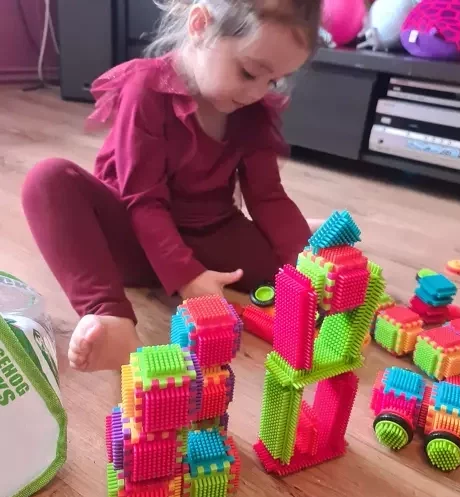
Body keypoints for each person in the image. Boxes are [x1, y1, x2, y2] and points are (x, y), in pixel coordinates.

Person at [21, 0, 324, 373]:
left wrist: (307, 261)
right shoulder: (147, 90)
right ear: (199, 25)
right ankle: (110, 316)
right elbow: (143, 201)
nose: (257, 92)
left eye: (272, 81)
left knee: (288, 268)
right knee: (47, 179)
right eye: (249, 73)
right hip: (134, 233)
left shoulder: (253, 110)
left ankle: (306, 234)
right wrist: (187, 277)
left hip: (209, 234)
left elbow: (268, 196)